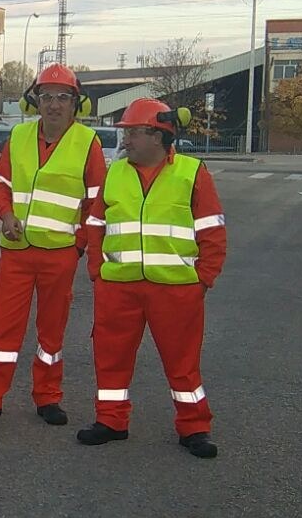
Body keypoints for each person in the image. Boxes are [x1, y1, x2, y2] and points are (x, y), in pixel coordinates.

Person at [0, 65, 105, 427]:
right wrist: (3, 215)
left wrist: (78, 247)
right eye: (46, 96)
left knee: (52, 331)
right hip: (16, 252)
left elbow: (95, 203)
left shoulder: (88, 144)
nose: (53, 105)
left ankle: (48, 397)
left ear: (75, 104)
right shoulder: (18, 136)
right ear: (34, 101)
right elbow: (1, 184)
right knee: (3, 329)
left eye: (62, 97)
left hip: (60, 255)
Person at [80, 97, 227, 458]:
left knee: (182, 363)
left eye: (132, 133)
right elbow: (96, 223)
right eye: (125, 133)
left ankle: (194, 426)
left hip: (176, 290)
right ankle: (111, 420)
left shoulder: (192, 173)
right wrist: (97, 271)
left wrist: (203, 279)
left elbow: (212, 230)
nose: (125, 140)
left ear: (158, 135)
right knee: (110, 357)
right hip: (118, 287)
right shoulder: (116, 171)